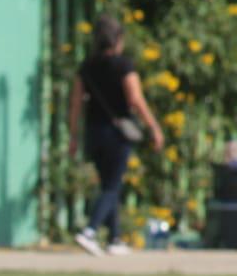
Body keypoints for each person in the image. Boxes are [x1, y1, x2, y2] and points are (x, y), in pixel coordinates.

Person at [67, 13, 165, 257]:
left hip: (93, 131)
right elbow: (135, 99)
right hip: (116, 133)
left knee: (107, 184)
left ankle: (114, 238)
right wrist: (153, 126)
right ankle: (90, 231)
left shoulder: (86, 67)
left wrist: (73, 136)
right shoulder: (124, 66)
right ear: (118, 39)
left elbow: (76, 104)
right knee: (112, 185)